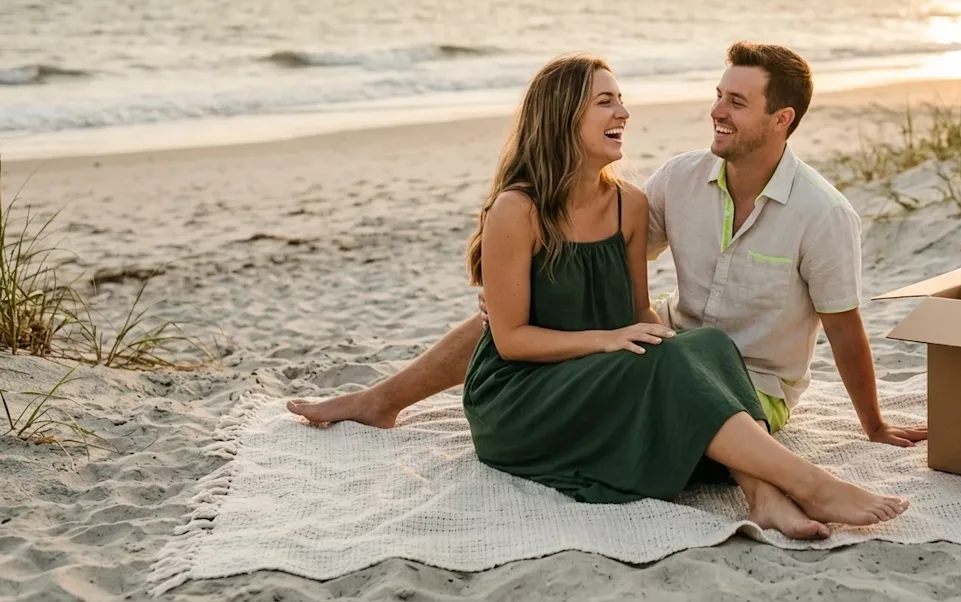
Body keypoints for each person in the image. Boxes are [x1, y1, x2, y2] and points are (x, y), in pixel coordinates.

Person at [289, 43, 926, 536]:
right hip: (544, 390)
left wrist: (873, 423)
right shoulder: (635, 190)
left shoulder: (803, 212)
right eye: (606, 102)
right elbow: (519, 332)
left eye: (736, 101)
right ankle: (795, 483)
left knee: (691, 347)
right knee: (685, 347)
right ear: (563, 116)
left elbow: (838, 326)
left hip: (735, 379)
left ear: (780, 118)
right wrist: (580, 321)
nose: (715, 110)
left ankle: (766, 489)